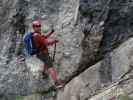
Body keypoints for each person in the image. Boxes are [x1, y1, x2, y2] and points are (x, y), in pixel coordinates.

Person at [31, 20, 63, 88]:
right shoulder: (37, 35)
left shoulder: (35, 34)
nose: (39, 27)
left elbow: (44, 38)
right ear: (34, 27)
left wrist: (51, 33)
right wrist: (54, 41)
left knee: (46, 62)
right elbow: (46, 42)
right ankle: (57, 83)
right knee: (51, 67)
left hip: (39, 54)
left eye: (39, 26)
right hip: (43, 53)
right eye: (37, 26)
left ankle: (43, 73)